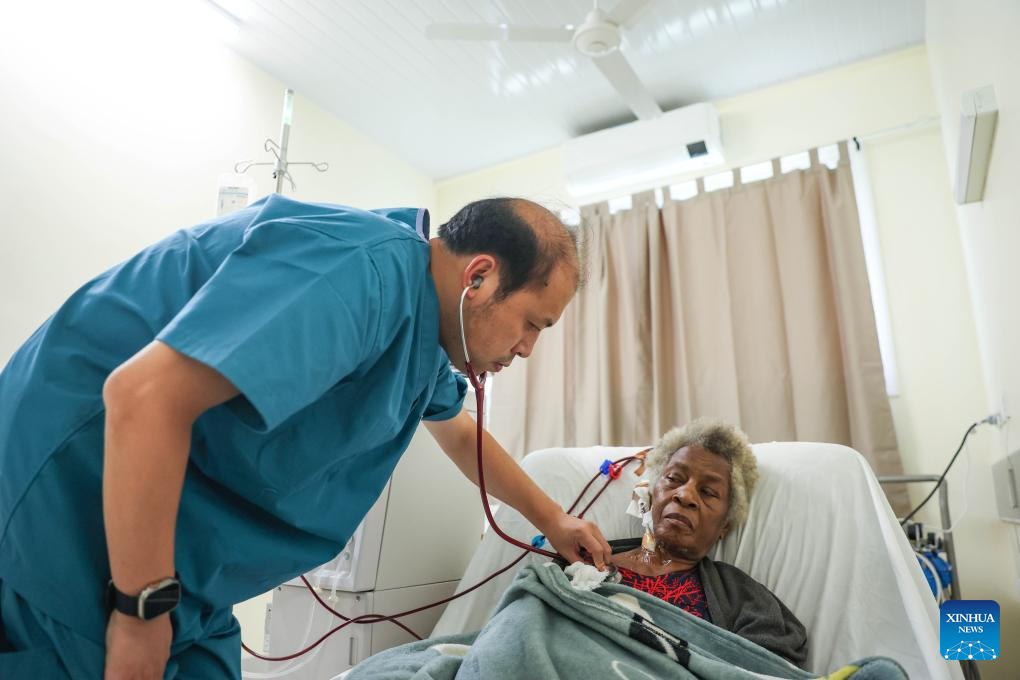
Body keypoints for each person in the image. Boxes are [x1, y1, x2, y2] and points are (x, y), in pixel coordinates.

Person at [0, 194, 613, 679]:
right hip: (72, 510)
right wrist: (140, 614)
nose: (528, 349)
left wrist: (554, 519)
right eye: (532, 323)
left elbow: (458, 434)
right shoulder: (359, 271)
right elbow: (143, 398)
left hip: (187, 566)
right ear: (478, 276)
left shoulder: (423, 336)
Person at [610, 418, 809, 667]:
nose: (685, 495)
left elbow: (770, 666)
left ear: (724, 525)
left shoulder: (742, 599)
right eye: (674, 478)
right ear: (651, 495)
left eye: (708, 492)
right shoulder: (586, 559)